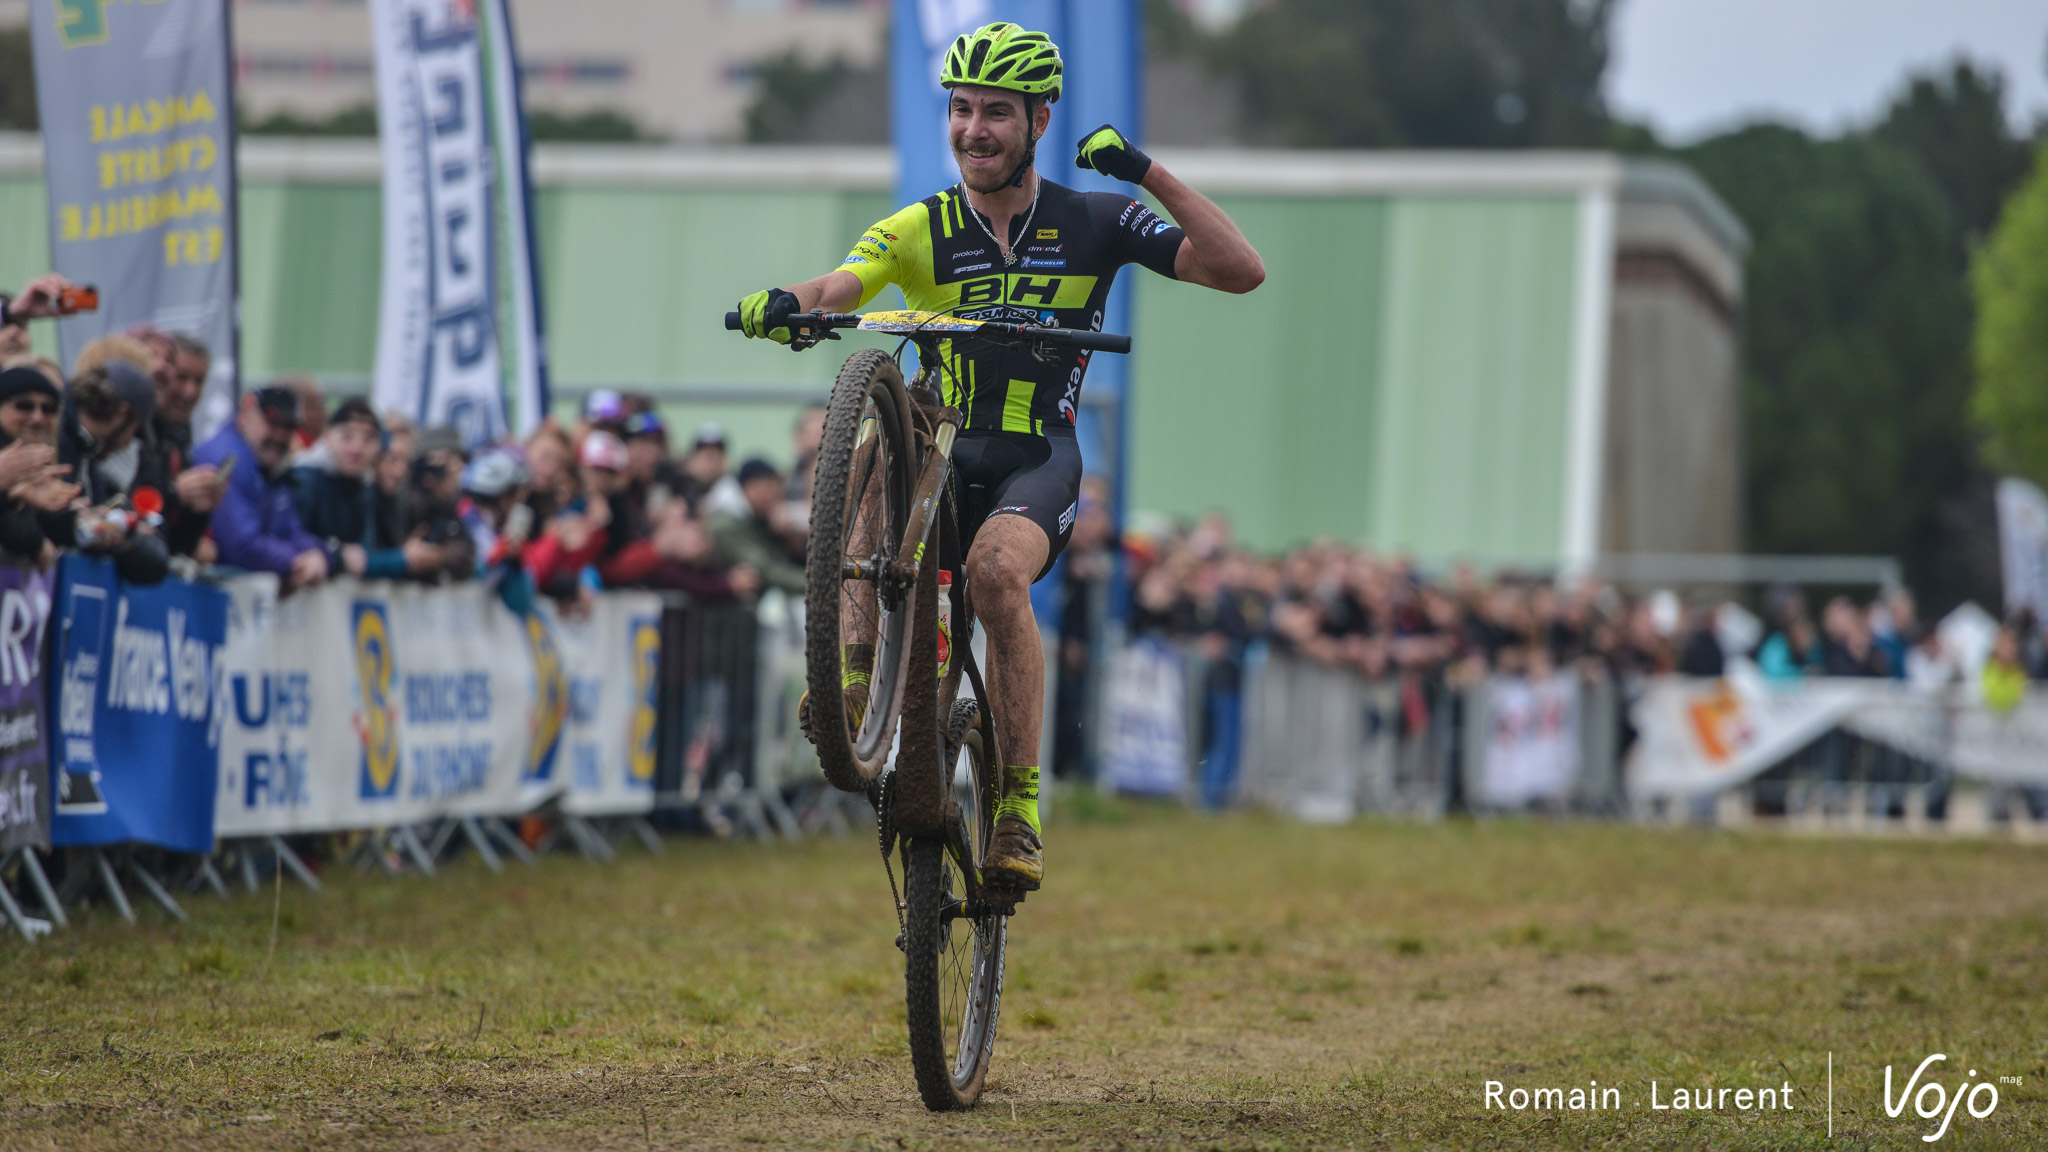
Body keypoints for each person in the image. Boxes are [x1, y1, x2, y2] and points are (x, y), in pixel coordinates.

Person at [734, 21, 1264, 890]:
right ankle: (858, 683)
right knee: (878, 440)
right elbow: (841, 287)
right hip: (939, 455)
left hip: (1036, 458)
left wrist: (1144, 172)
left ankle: (1018, 803)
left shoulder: (1094, 218)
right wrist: (786, 303)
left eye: (994, 114)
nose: (973, 129)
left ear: (1039, 123)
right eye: (960, 110)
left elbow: (1238, 270)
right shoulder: (920, 225)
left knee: (993, 575)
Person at [194, 386, 337, 589]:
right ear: (246, 416)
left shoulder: (272, 466)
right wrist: (296, 561)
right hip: (212, 598)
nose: (279, 435)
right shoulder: (226, 458)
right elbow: (241, 545)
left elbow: (289, 531)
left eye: (288, 427)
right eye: (273, 424)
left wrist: (321, 554)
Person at [292, 398, 443, 580]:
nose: (357, 448)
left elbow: (363, 555)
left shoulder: (364, 489)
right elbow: (291, 540)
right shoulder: (302, 483)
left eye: (368, 438)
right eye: (347, 436)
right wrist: (337, 554)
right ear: (327, 437)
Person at [708, 458, 806, 597]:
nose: (774, 495)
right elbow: (765, 570)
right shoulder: (726, 524)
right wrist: (815, 584)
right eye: (768, 487)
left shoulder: (759, 517)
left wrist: (789, 537)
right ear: (749, 487)